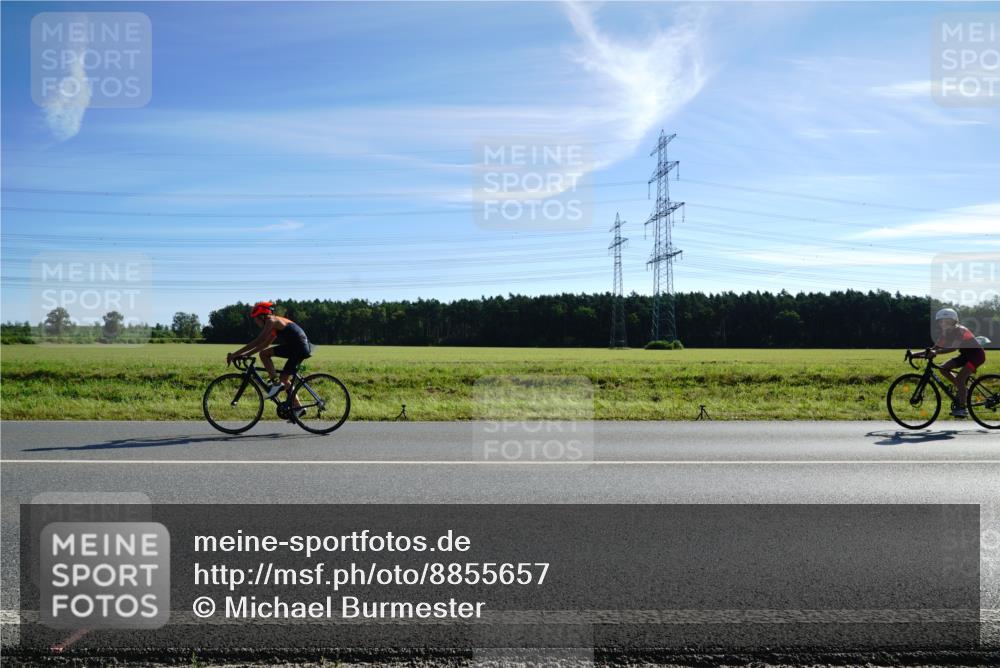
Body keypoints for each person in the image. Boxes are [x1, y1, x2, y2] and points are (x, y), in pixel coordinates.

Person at [227, 301, 313, 418]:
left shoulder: (272, 321)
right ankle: (298, 407)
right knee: (278, 370)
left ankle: (276, 384)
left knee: (265, 356)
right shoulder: (275, 324)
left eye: (256, 319)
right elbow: (264, 345)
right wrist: (246, 355)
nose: (255, 322)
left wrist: (236, 354)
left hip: (298, 348)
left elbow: (258, 341)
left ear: (262, 316)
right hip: (298, 347)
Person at [912, 308, 986, 418]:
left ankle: (962, 408)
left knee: (961, 378)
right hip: (965, 356)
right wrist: (914, 354)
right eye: (941, 321)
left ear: (954, 321)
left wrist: (936, 352)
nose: (943, 324)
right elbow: (934, 348)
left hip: (976, 356)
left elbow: (953, 348)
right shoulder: (945, 334)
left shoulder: (960, 330)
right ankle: (963, 391)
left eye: (947, 321)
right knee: (943, 368)